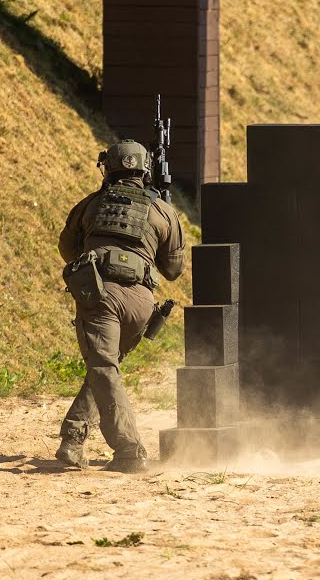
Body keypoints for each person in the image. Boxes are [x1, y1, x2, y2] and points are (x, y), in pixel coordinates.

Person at [55, 139, 186, 473]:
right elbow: (172, 270)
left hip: (100, 298)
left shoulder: (90, 204)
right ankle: (72, 437)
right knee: (105, 370)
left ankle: (129, 449)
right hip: (141, 304)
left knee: (103, 369)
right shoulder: (163, 211)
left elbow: (68, 250)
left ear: (107, 167)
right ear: (146, 171)